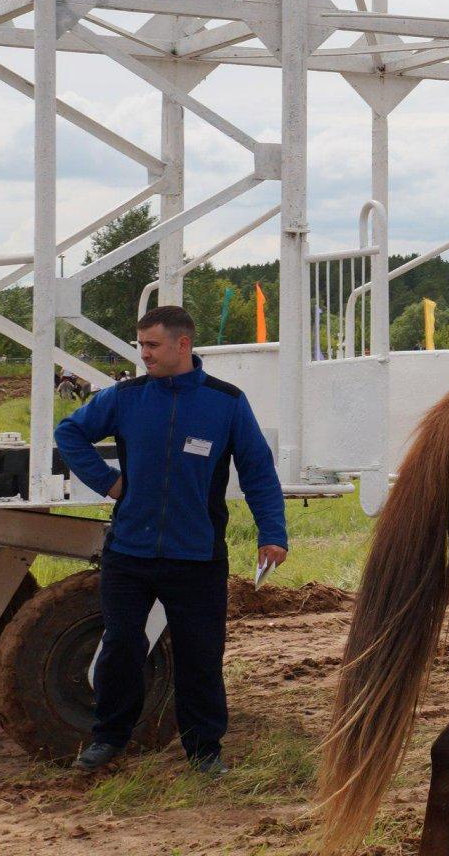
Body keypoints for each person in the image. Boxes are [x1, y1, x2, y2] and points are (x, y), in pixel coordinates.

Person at [55, 305, 289, 775]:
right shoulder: (126, 397)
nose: (144, 355)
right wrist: (107, 482)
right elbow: (70, 432)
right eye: (141, 345)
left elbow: (258, 470)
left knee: (199, 654)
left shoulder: (226, 402)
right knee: (121, 646)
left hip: (196, 555)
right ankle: (108, 740)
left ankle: (204, 751)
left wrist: (273, 533)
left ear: (183, 344)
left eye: (152, 345)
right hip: (129, 552)